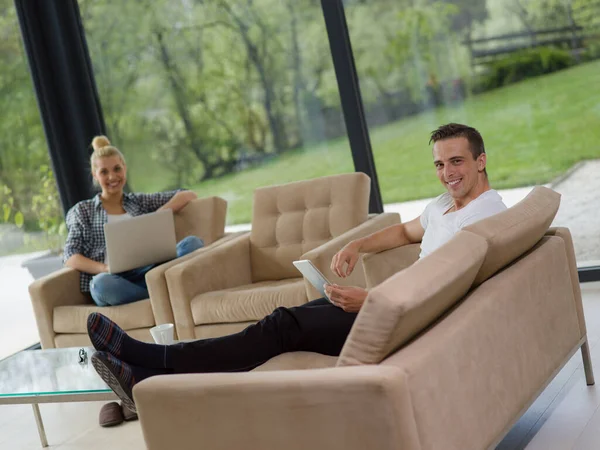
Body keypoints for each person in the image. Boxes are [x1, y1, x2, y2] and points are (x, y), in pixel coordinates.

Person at [87, 123, 508, 413]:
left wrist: (371, 299)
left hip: (403, 318)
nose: (447, 173)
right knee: (282, 320)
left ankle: (148, 361)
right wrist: (356, 245)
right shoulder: (446, 206)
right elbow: (405, 233)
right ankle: (145, 375)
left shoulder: (484, 220)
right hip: (387, 305)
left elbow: (446, 287)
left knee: (280, 328)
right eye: (439, 164)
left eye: (456, 162)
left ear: (481, 161)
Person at [63, 135, 204, 307]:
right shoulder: (82, 211)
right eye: (104, 172)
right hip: (116, 280)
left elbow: (188, 194)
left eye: (116, 169)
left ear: (125, 168)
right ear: (95, 175)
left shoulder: (138, 201)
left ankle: (157, 293)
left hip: (151, 271)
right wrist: (105, 268)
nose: (112, 177)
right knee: (100, 285)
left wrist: (157, 215)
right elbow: (70, 256)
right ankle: (161, 295)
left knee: (192, 243)